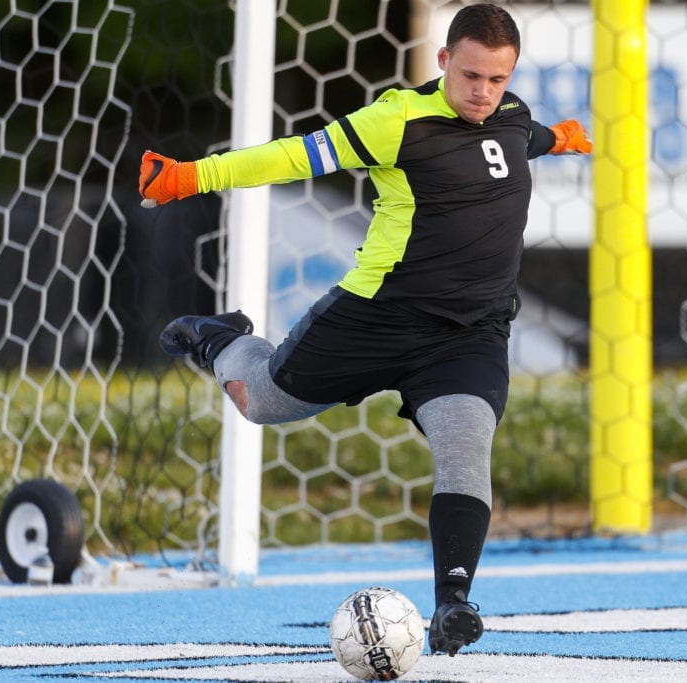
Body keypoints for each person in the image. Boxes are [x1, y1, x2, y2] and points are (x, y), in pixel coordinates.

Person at [138, 2, 592, 656]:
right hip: (376, 316)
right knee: (259, 400)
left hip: (469, 336)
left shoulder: (514, 117)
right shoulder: (396, 119)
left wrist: (564, 137)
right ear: (443, 62)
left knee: (467, 451)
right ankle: (218, 336)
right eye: (470, 76)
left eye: (497, 79)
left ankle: (453, 605)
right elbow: (293, 157)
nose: (483, 93)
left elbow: (526, 138)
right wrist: (191, 177)